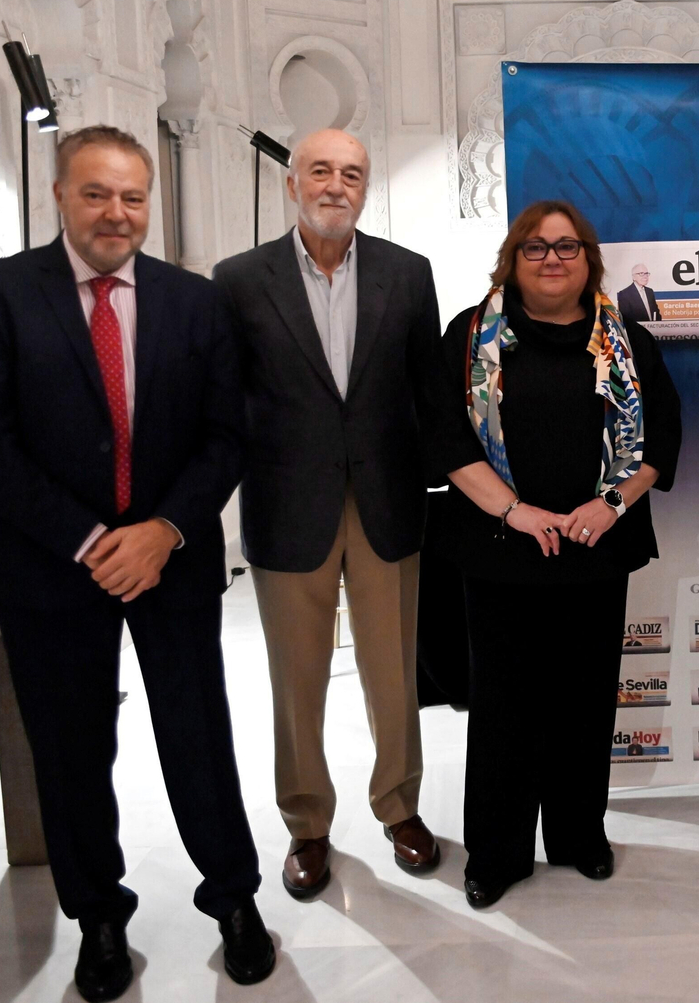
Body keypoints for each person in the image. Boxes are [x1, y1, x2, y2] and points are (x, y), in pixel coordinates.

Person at [0, 126, 273, 1001]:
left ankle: (234, 899)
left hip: (171, 558)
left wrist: (163, 529)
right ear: (59, 194)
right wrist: (94, 541)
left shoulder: (194, 301)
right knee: (70, 747)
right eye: (96, 193)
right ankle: (98, 916)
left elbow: (225, 435)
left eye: (132, 196)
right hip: (51, 568)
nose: (116, 213)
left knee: (198, 736)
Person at [213, 129, 446, 899]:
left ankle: (401, 807)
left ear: (365, 188)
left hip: (387, 501)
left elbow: (428, 393)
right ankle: (306, 824)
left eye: (352, 174)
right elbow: (224, 403)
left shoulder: (407, 276)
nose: (336, 185)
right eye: (321, 170)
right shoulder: (239, 280)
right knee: (297, 680)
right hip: (288, 505)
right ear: (292, 184)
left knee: (393, 671)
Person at [437, 199, 681, 909]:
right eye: (536, 247)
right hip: (498, 548)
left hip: (593, 549)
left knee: (582, 702)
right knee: (504, 705)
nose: (552, 258)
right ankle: (497, 851)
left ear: (589, 261)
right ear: (513, 260)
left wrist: (611, 505)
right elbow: (447, 436)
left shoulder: (626, 340)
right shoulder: (470, 336)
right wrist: (515, 511)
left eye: (567, 247)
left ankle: (580, 836)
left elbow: (660, 439)